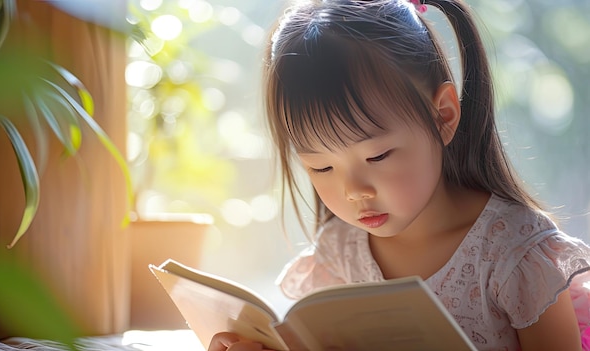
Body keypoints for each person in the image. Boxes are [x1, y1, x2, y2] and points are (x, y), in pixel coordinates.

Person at [209, 0, 590, 350]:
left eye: (377, 155)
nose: (354, 190)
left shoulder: (513, 253)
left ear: (443, 115)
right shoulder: (339, 255)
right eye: (321, 166)